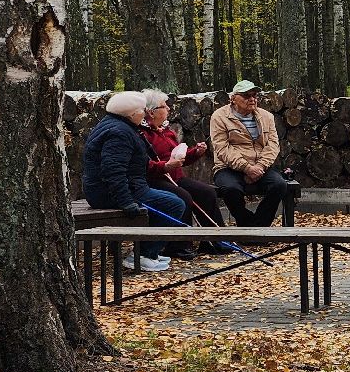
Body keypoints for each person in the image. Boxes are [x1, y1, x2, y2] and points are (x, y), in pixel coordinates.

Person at [82, 90, 187, 272]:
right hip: (111, 193)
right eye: (142, 111)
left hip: (124, 188)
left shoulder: (117, 126)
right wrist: (125, 201)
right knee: (174, 204)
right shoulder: (120, 133)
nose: (145, 114)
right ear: (131, 114)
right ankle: (144, 254)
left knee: (172, 200)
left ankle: (149, 251)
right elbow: (113, 170)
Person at [141, 90, 229, 256]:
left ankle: (215, 241)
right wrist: (166, 166)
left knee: (206, 192)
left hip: (176, 177)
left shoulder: (166, 131)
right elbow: (145, 164)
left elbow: (178, 158)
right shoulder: (143, 134)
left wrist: (195, 152)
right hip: (155, 179)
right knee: (183, 197)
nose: (168, 108)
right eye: (164, 106)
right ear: (151, 112)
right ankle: (179, 245)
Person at [208, 80, 290, 227]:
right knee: (230, 190)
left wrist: (260, 166)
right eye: (246, 96)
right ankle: (248, 224)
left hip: (260, 166)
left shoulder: (266, 116)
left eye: (254, 95)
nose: (252, 99)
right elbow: (222, 148)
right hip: (228, 167)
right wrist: (246, 168)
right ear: (233, 99)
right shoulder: (219, 117)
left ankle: (259, 226)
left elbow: (273, 145)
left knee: (279, 185)